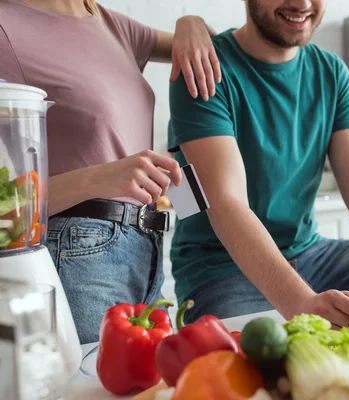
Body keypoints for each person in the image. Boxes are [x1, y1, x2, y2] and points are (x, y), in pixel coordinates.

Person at [168, 0, 349, 348]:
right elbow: (226, 203)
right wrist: (300, 301)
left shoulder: (331, 71)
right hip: (220, 269)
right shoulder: (204, 68)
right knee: (263, 358)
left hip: (312, 253)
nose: (302, 4)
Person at [0, 0, 221, 344]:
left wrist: (189, 22)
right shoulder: (6, 25)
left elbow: (213, 44)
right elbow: (5, 208)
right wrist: (100, 178)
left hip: (146, 247)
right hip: (79, 254)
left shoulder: (110, 24)